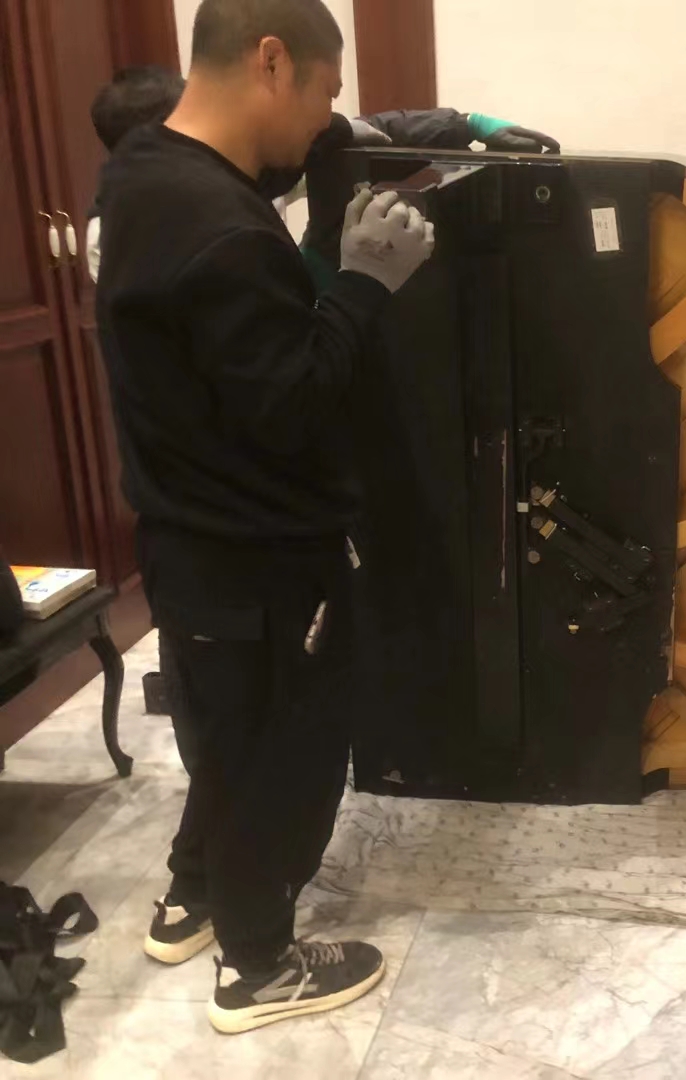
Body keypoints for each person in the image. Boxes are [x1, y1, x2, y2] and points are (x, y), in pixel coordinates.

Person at [95, 0, 436, 1033]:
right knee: (281, 759)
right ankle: (257, 966)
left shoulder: (147, 171)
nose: (327, 115)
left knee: (228, 736)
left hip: (190, 538)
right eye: (326, 91)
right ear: (272, 61)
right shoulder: (223, 232)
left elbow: (233, 350)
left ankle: (190, 899)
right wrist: (365, 286)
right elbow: (292, 408)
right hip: (258, 553)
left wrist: (348, 150)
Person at [86, 66, 559, 284]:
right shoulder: (115, 242)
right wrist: (326, 274)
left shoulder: (233, 167)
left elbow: (361, 132)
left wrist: (467, 124)